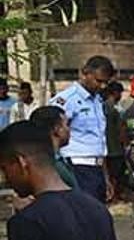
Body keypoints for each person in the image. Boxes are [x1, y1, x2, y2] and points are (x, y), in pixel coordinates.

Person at [49, 56, 116, 202]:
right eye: (98, 81)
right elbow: (51, 134)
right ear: (84, 74)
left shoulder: (98, 100)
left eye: (106, 82)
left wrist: (106, 177)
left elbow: (99, 141)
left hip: (97, 168)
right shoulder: (67, 100)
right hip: (76, 166)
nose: (102, 86)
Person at [28, 106, 79, 190]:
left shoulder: (57, 159)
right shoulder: (50, 164)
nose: (69, 129)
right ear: (57, 129)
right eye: (67, 125)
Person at [102, 82, 127, 201]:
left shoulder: (101, 106)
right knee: (116, 175)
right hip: (115, 148)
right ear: (115, 93)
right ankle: (115, 196)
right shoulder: (116, 109)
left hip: (104, 147)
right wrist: (124, 144)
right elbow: (121, 130)